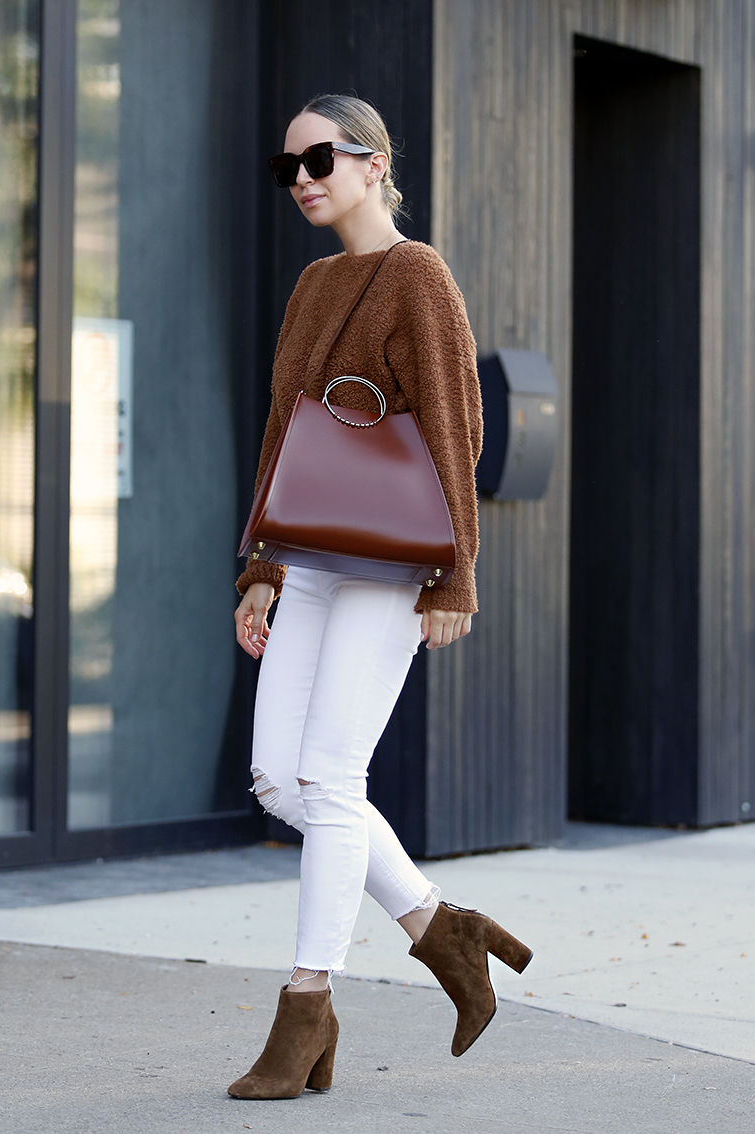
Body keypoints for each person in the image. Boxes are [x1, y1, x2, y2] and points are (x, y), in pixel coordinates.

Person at [229, 94, 532, 1101]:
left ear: (373, 163)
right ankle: (441, 931)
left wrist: (458, 572)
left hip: (394, 567)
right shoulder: (314, 283)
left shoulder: (418, 274)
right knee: (279, 780)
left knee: (328, 775)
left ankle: (306, 1006)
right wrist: (261, 567)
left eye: (319, 157)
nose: (304, 178)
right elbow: (283, 434)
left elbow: (454, 428)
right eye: (288, 169)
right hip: (308, 558)